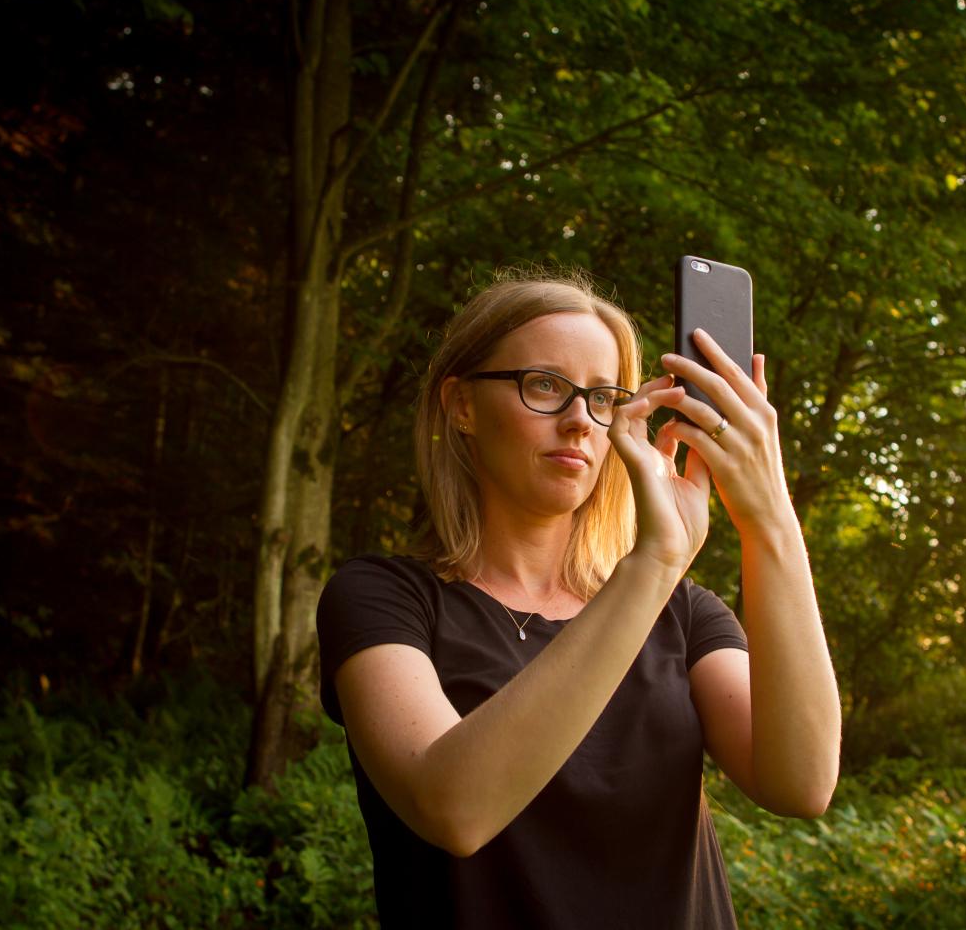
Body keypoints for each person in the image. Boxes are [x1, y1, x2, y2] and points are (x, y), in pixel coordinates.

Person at [318, 267, 840, 928]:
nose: (579, 421)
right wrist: (653, 561)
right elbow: (454, 806)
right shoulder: (384, 598)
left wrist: (771, 518)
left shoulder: (685, 614)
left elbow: (801, 781)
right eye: (545, 385)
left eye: (603, 397)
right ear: (462, 405)